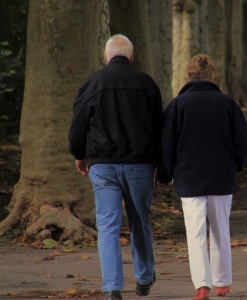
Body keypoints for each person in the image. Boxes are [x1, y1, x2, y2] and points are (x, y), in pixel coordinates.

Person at [68, 34, 167, 300]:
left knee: (108, 227)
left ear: (106, 56)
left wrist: (80, 154)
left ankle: (112, 288)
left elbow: (78, 125)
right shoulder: (147, 84)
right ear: (132, 56)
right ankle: (144, 277)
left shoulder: (92, 83)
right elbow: (160, 128)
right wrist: (162, 165)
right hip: (140, 166)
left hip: (102, 166)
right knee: (140, 222)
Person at [161, 54, 247, 300]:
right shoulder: (228, 103)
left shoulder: (178, 105)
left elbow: (167, 144)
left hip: (188, 178)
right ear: (213, 76)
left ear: (188, 77)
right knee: (221, 228)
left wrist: (165, 174)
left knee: (195, 232)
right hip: (222, 176)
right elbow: (242, 140)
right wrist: (237, 166)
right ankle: (222, 281)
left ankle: (202, 284)